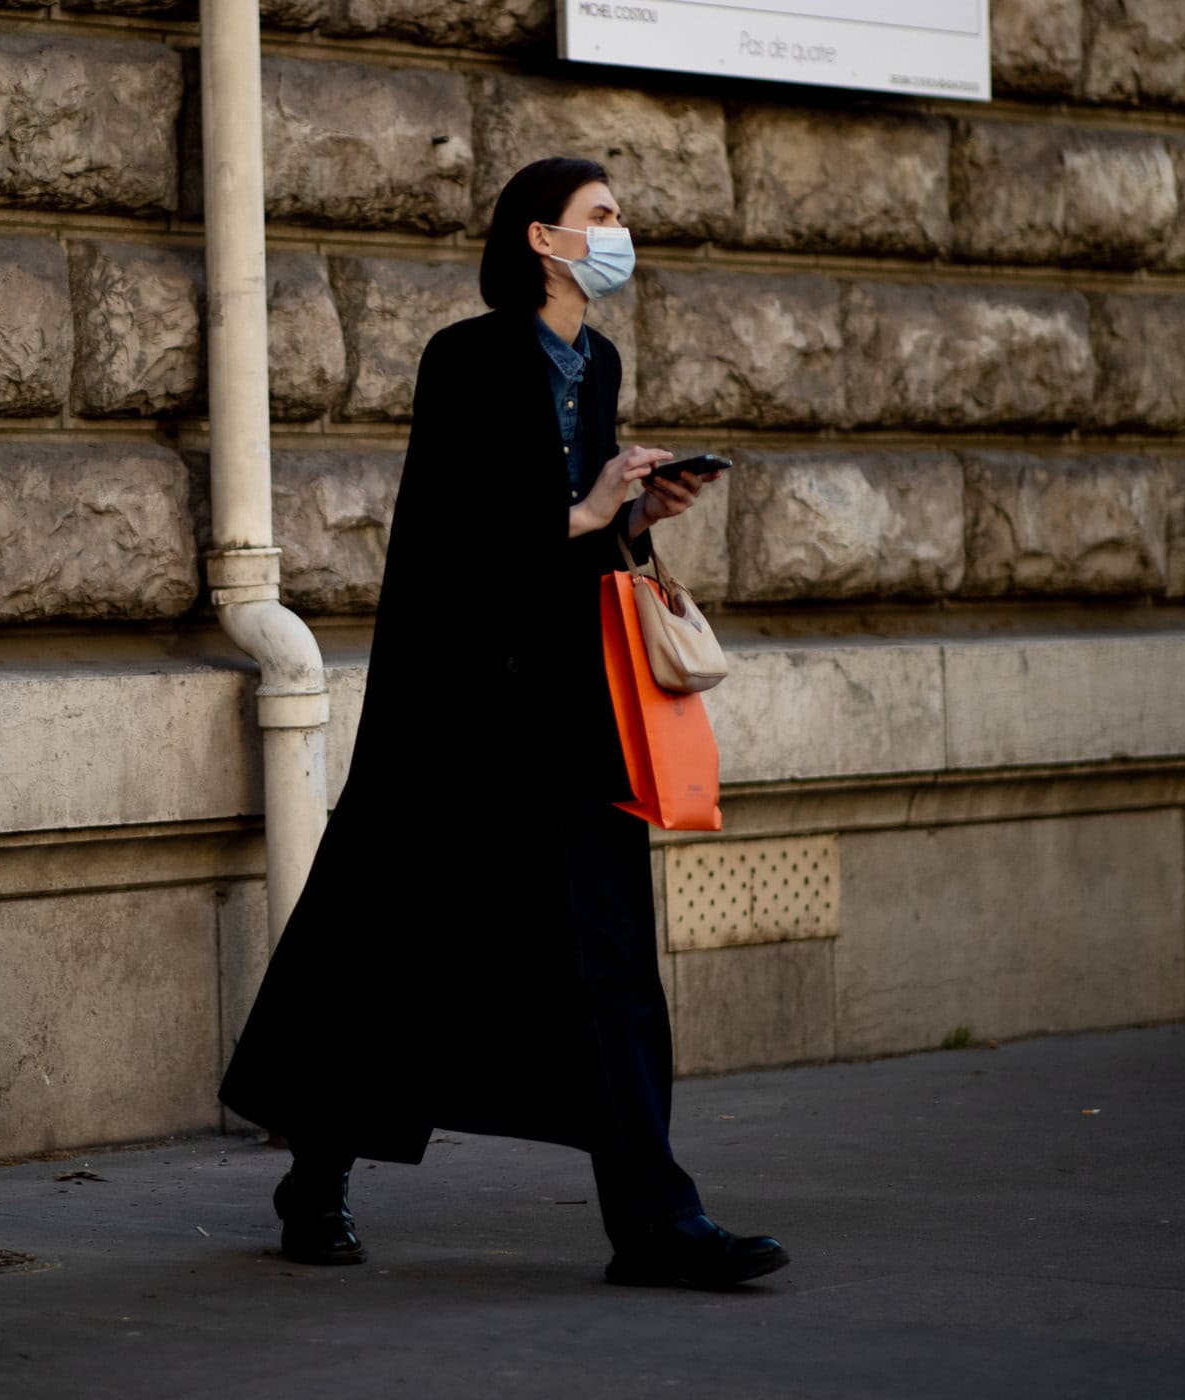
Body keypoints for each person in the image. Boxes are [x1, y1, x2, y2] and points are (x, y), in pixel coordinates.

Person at [219, 156, 790, 1289]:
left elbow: (582, 540)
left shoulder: (601, 358)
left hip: (573, 709)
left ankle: (656, 1223)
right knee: (389, 944)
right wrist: (576, 508)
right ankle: (317, 1167)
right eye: (602, 217)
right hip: (461, 713)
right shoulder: (467, 357)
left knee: (613, 956)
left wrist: (632, 513)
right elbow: (447, 539)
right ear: (543, 237)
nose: (620, 233)